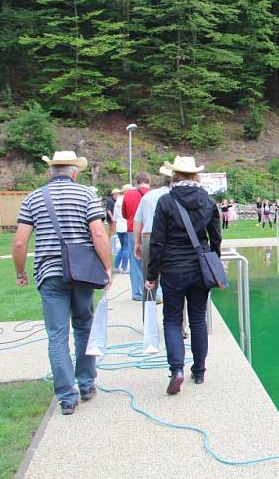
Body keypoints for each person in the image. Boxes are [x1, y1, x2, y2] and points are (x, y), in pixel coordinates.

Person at [12, 151, 111, 415]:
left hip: (49, 273)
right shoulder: (86, 195)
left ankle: (67, 397)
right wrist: (108, 267)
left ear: (49, 172)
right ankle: (87, 384)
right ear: (75, 172)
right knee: (84, 327)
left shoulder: (33, 198)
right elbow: (99, 233)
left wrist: (20, 272)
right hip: (82, 273)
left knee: (57, 335)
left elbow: (20, 242)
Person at [146, 156, 221, 394]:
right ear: (196, 175)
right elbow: (215, 237)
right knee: (198, 319)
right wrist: (214, 261)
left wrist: (152, 273)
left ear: (174, 175)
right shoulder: (208, 201)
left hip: (173, 267)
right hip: (200, 267)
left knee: (172, 319)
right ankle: (198, 371)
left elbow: (157, 242)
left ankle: (176, 369)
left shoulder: (166, 201)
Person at [134, 166, 172, 305]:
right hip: (171, 238)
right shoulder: (177, 196)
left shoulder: (149, 196)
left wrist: (137, 243)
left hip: (148, 237)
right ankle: (179, 324)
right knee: (175, 285)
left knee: (149, 284)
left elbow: (137, 221)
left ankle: (148, 323)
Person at [122, 173, 151, 301]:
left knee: (135, 263)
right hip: (150, 231)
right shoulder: (153, 194)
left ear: (137, 181)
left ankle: (138, 293)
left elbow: (124, 213)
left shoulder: (128, 194)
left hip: (132, 230)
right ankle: (156, 292)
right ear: (149, 181)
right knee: (153, 262)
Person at [113, 186, 130, 273]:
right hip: (126, 225)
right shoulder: (126, 200)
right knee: (126, 248)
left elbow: (114, 216)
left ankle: (116, 266)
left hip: (119, 226)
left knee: (122, 247)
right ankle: (124, 267)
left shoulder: (117, 201)